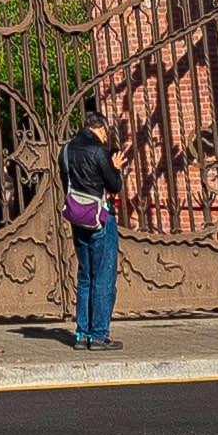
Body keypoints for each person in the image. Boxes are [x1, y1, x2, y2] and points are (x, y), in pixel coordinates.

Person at [60, 109, 126, 349]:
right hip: (99, 217)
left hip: (77, 217)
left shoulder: (66, 150)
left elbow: (64, 180)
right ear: (101, 128)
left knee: (85, 275)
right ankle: (99, 334)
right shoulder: (99, 151)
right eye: (106, 132)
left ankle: (81, 333)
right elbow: (114, 185)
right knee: (103, 276)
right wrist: (116, 167)